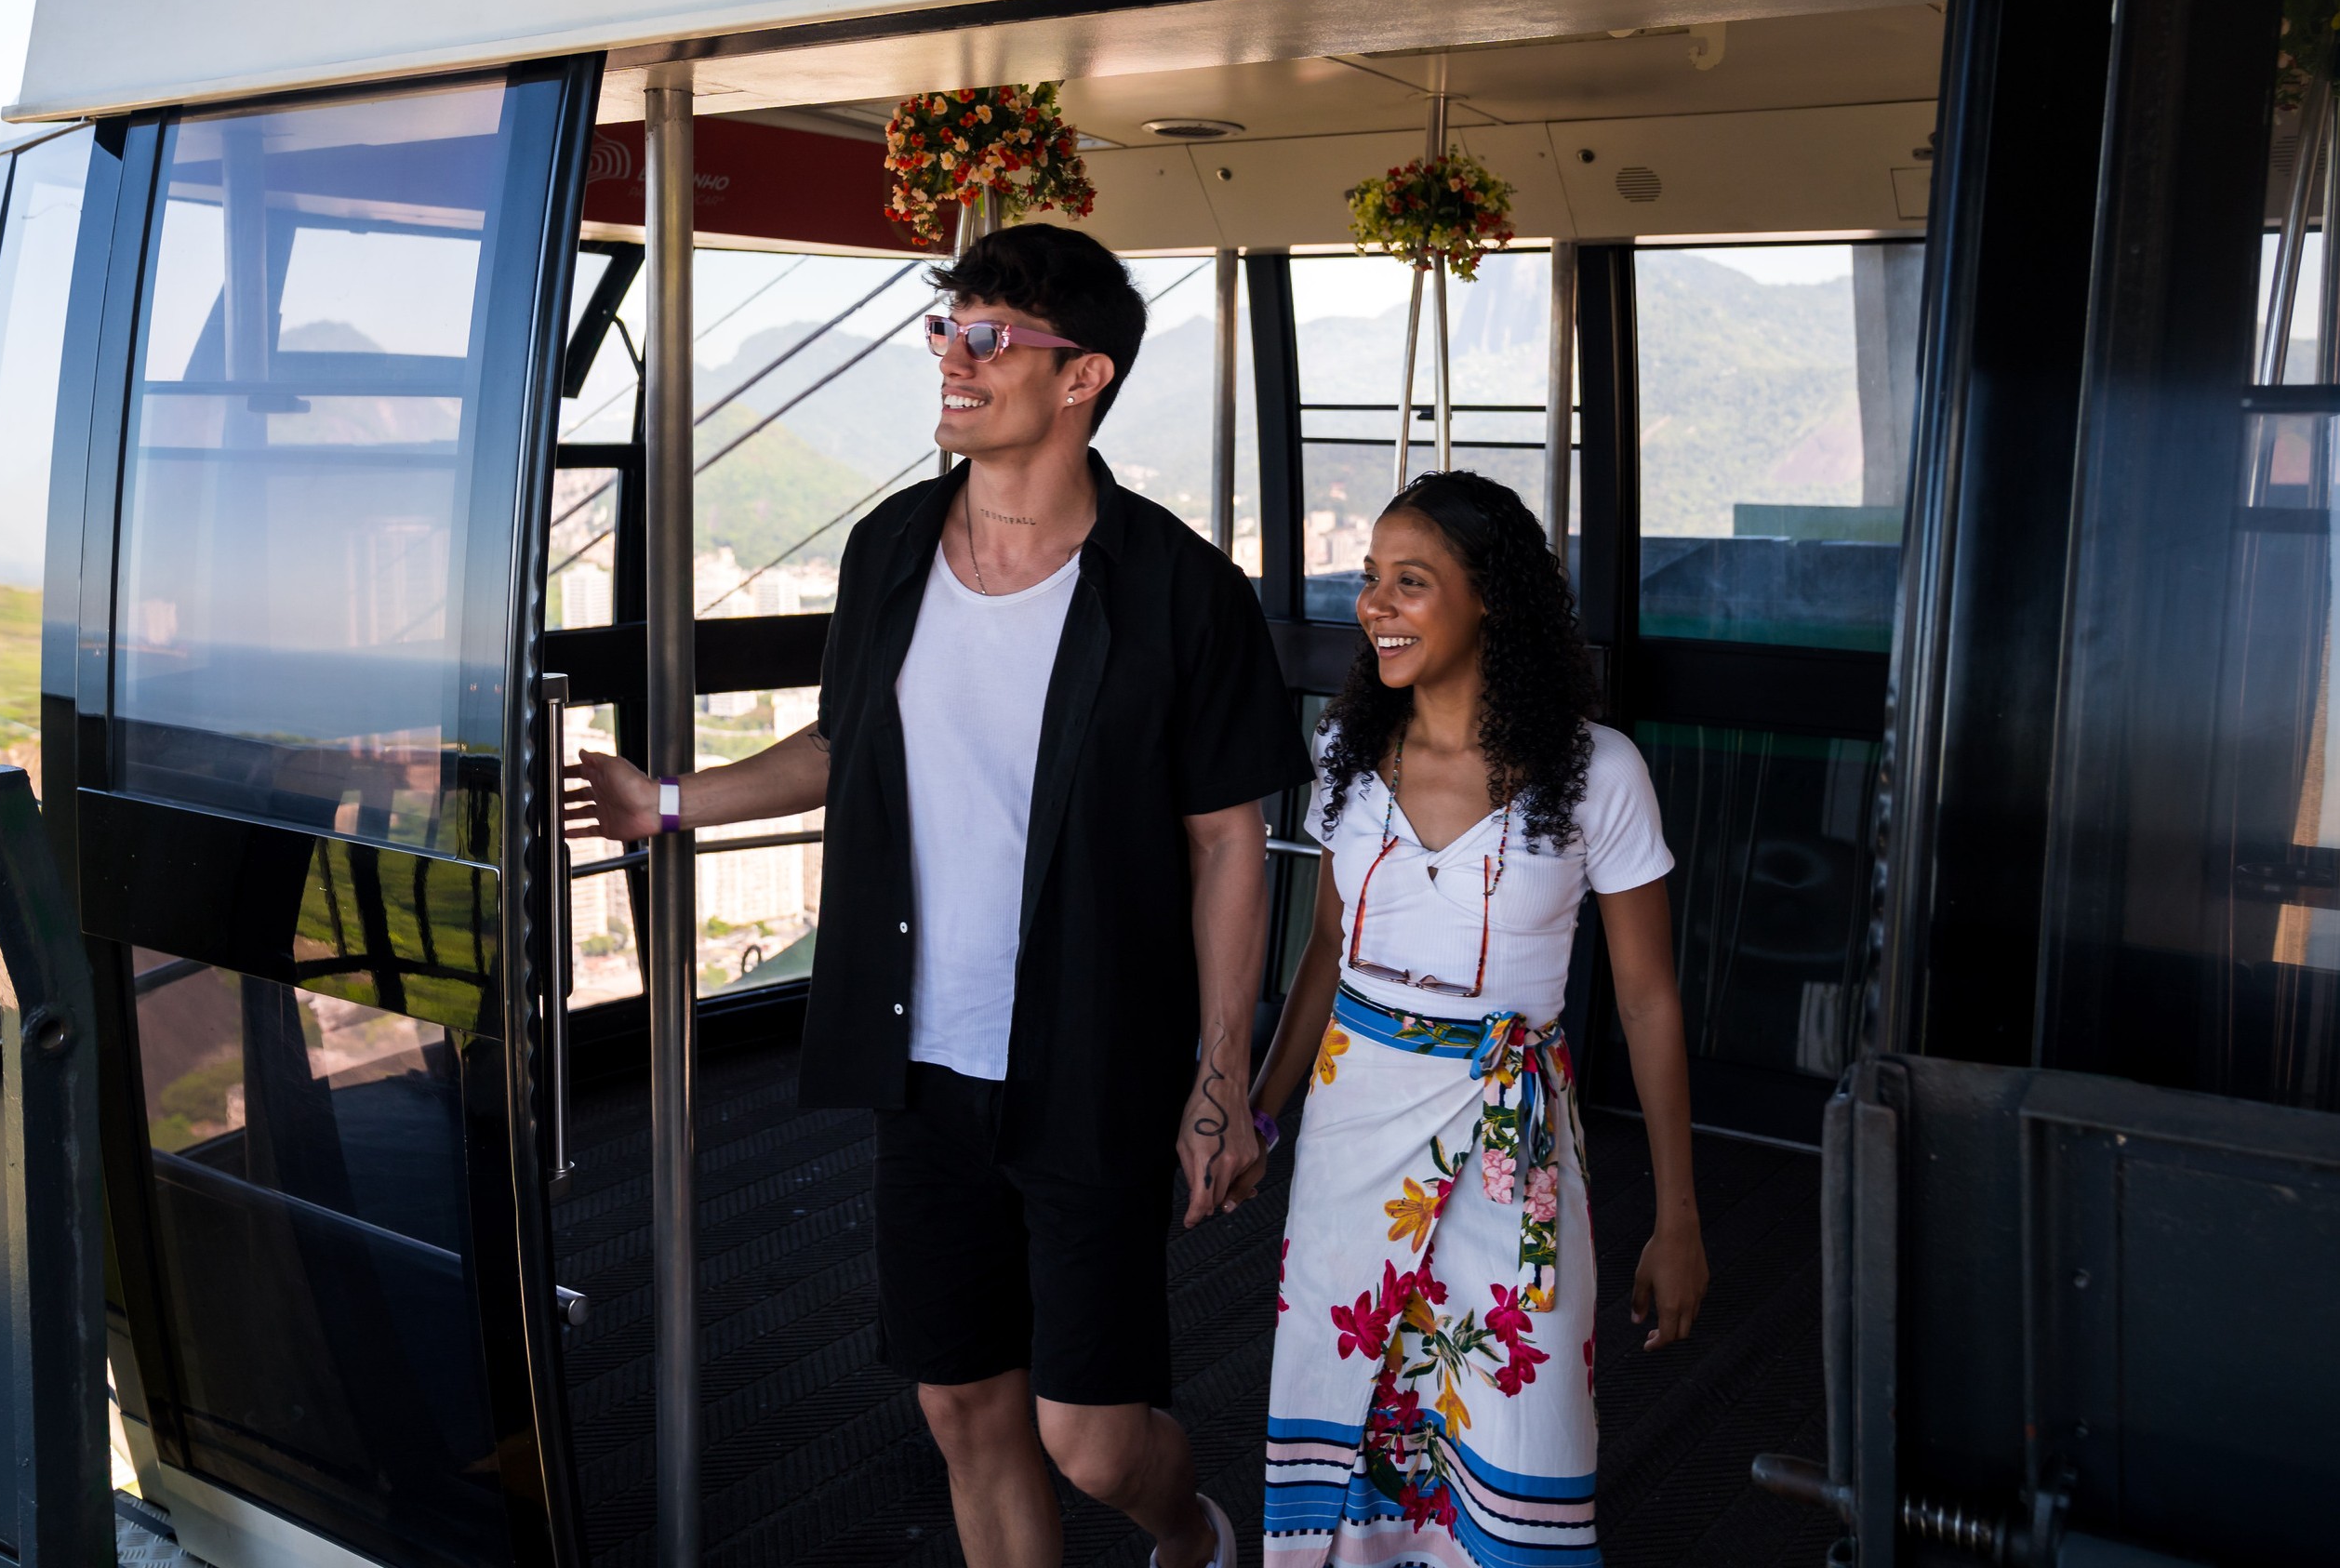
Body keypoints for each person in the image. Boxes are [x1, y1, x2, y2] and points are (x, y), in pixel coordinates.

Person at [565, 222, 1308, 1568]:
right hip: (923, 1059)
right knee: (962, 1403)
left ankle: (1190, 1531)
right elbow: (848, 745)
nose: (952, 363)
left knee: (1088, 1435)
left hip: (1091, 1065)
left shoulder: (1175, 588)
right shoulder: (890, 546)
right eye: (944, 331)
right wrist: (669, 803)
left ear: (1080, 377)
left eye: (988, 338)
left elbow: (1223, 841)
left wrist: (1220, 1078)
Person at [1238, 471, 1708, 1568]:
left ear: (1489, 596)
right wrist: (1259, 1116)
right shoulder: (1346, 756)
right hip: (1351, 1137)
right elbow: (1324, 950)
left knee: (1520, 1416)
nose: (1377, 606)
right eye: (1370, 581)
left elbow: (1647, 997)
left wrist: (1678, 1216)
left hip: (1516, 1146)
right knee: (1343, 1414)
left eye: (1412, 581)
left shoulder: (1601, 773)